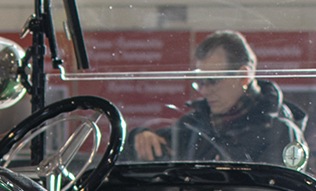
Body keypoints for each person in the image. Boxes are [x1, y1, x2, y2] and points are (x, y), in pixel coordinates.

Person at [129, 31, 305, 166]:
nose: (204, 91)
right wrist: (141, 138)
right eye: (200, 82)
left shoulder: (280, 132)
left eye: (212, 81)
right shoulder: (194, 125)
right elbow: (140, 152)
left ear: (243, 76)